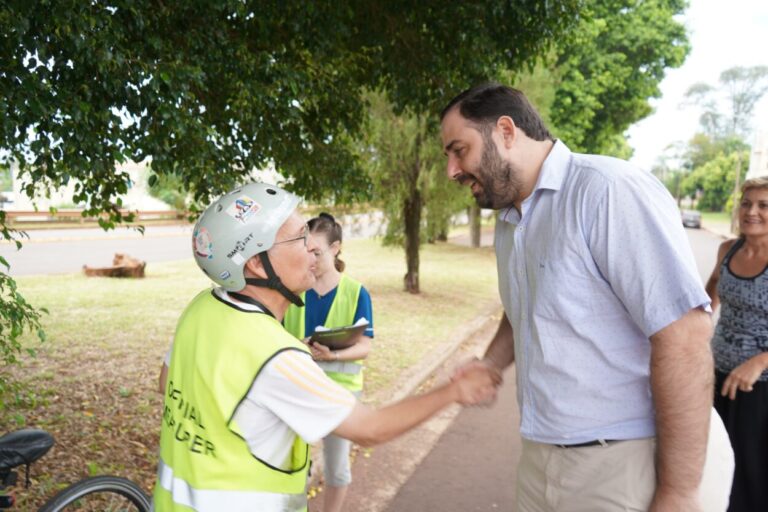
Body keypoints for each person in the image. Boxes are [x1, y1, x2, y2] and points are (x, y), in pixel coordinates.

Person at [440, 83, 734, 512]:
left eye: (458, 149)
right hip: (539, 458)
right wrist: (491, 361)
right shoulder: (510, 220)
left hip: (623, 463)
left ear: (505, 131)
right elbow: (526, 303)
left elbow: (685, 335)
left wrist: (679, 493)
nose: (451, 170)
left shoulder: (607, 191)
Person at [152, 182, 499, 512]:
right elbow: (371, 429)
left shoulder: (200, 308)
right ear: (256, 263)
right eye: (300, 239)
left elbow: (167, 383)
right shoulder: (275, 356)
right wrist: (455, 389)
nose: (312, 252)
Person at [283, 212, 372, 512]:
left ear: (335, 249)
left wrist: (332, 355)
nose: (310, 258)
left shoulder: (357, 293)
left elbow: (365, 346)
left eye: (317, 252)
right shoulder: (295, 288)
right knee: (291, 466)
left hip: (340, 392)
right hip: (298, 386)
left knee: (336, 469)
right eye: (306, 250)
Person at [706, 176, 768, 511]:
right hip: (717, 375)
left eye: (763, 205)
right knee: (716, 463)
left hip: (760, 389)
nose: (752, 211)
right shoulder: (727, 250)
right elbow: (706, 300)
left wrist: (759, 362)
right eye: (746, 203)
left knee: (753, 473)